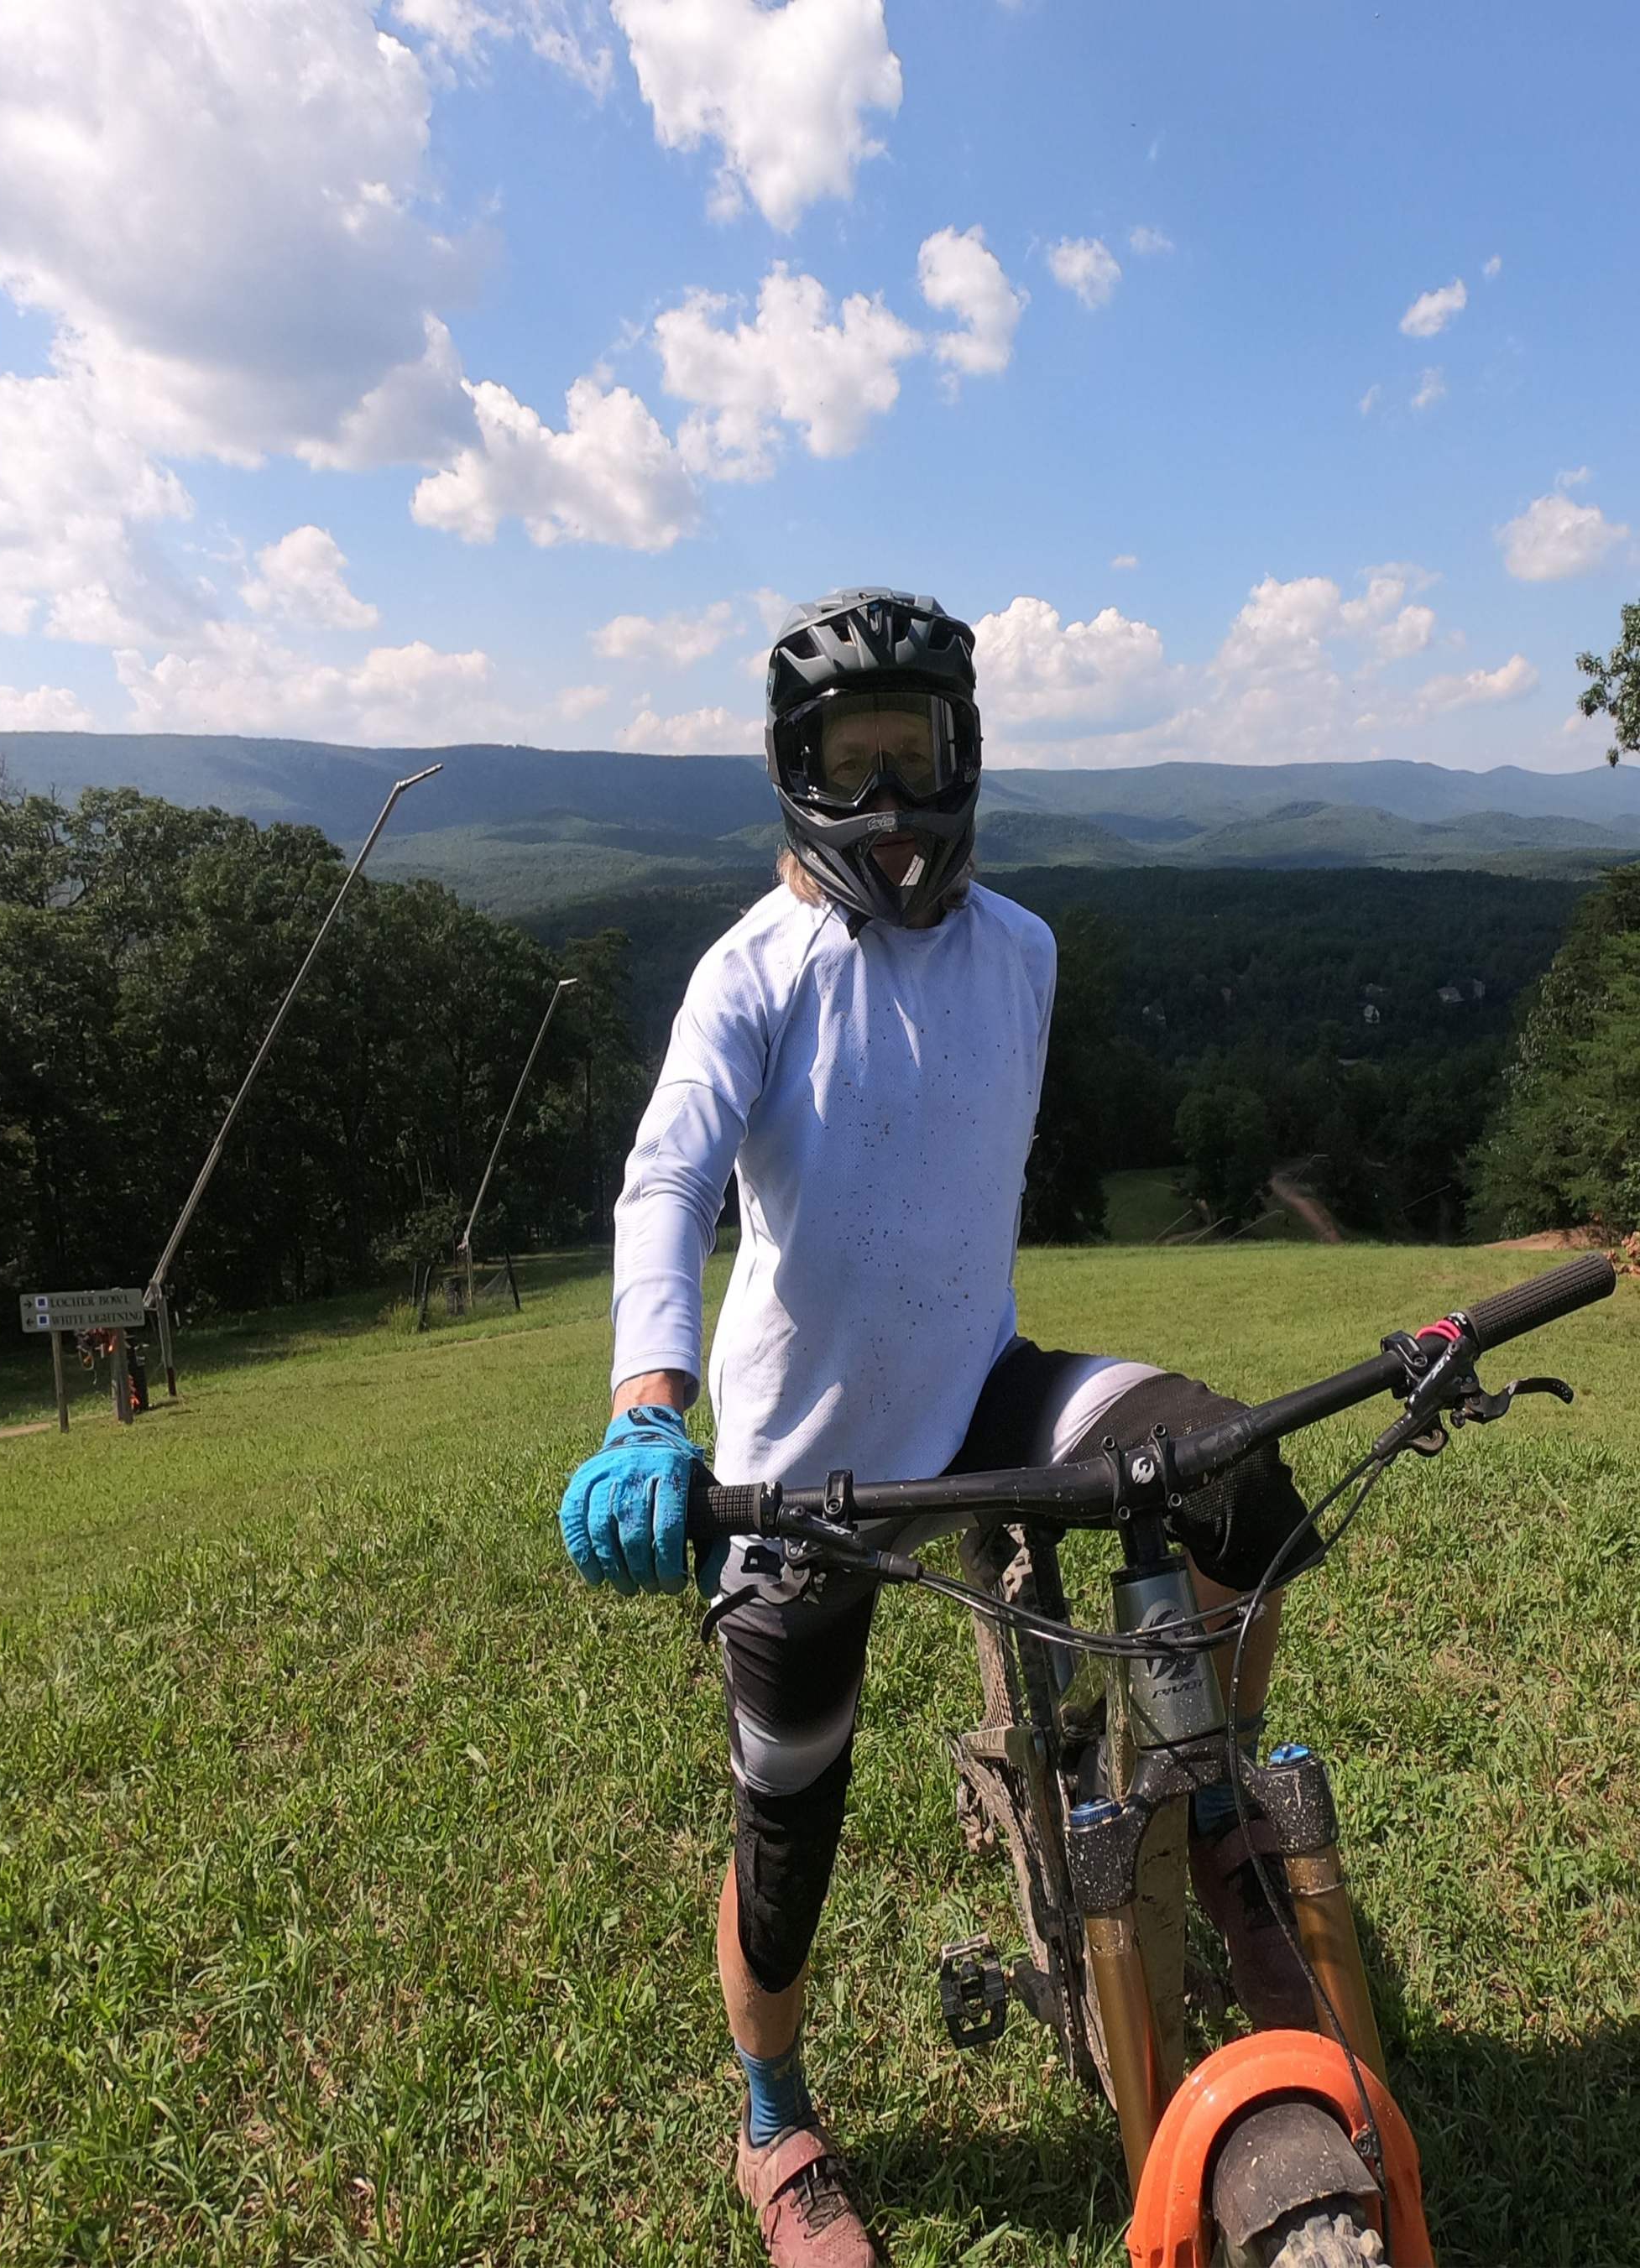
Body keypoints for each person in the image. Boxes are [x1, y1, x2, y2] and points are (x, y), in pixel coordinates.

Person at [558, 588, 1318, 2265]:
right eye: (856, 762)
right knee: (788, 1810)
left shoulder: (1023, 951)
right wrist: (647, 1407)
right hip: (801, 1460)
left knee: (1235, 1482)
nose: (892, 803)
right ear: (797, 771)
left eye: (918, 754)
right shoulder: (750, 972)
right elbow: (667, 1179)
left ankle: (1213, 1811)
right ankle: (774, 2119)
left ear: (967, 754)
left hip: (982, 1387)